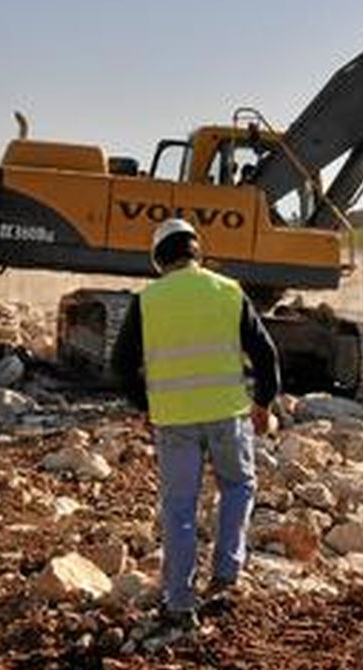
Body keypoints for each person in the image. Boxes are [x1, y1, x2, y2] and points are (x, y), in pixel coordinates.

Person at [110, 218, 280, 630]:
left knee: (180, 509)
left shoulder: (147, 300)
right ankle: (226, 573)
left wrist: (144, 405)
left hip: (174, 421)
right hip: (227, 414)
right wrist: (263, 402)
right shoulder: (228, 290)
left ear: (158, 259)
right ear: (197, 252)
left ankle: (180, 602)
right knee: (238, 486)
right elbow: (266, 354)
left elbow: (119, 365)